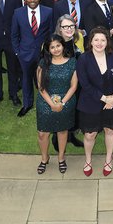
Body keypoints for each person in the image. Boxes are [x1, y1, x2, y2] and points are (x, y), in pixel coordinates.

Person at [77, 27, 113, 176]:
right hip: (90, 103)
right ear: (90, 41)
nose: (99, 43)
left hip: (112, 102)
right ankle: (88, 160)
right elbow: (85, 85)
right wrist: (105, 99)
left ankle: (108, 159)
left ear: (107, 42)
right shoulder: (84, 59)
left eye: (103, 40)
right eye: (96, 40)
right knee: (89, 135)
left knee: (109, 130)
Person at [36, 34, 78, 174]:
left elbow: (73, 86)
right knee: (43, 133)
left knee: (62, 131)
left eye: (58, 46)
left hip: (65, 101)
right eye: (52, 47)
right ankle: (44, 158)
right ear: (48, 49)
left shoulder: (72, 62)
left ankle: (61, 158)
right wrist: (52, 104)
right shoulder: (43, 63)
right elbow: (41, 87)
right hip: (45, 101)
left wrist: (62, 103)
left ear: (63, 46)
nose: (56, 49)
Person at [11, 0, 53, 117]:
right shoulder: (18, 13)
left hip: (42, 54)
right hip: (25, 54)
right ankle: (27, 104)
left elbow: (51, 33)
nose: (32, 0)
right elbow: (14, 35)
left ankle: (47, 102)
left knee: (45, 79)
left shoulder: (48, 12)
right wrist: (18, 52)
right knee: (26, 79)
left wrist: (49, 51)